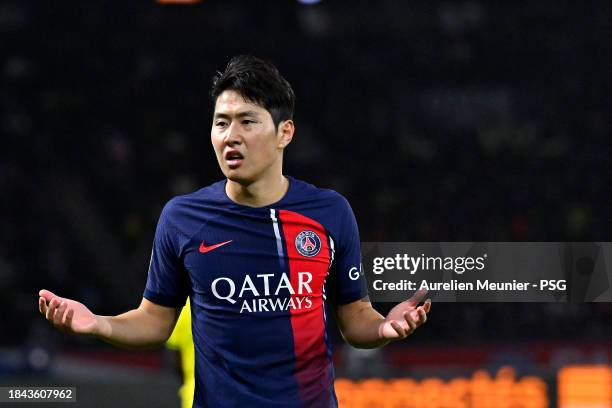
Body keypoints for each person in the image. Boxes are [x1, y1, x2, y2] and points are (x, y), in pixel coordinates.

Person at [38, 55, 431, 407]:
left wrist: (383, 327)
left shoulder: (329, 212)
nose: (231, 136)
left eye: (247, 121)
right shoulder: (182, 218)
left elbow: (354, 318)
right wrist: (98, 323)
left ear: (285, 133)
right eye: (221, 123)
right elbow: (154, 322)